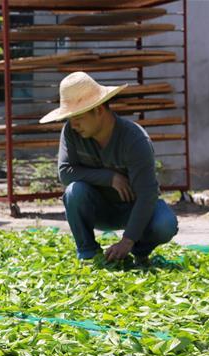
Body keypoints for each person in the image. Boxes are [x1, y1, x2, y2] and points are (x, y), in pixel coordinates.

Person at [40, 71, 178, 264]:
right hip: (99, 208)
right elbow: (65, 173)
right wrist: (109, 177)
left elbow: (147, 195)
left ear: (98, 110)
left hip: (134, 210)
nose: (74, 124)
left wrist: (127, 241)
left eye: (77, 116)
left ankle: (138, 251)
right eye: (70, 118)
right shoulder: (71, 132)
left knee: (165, 224)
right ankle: (88, 254)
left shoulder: (135, 139)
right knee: (74, 191)